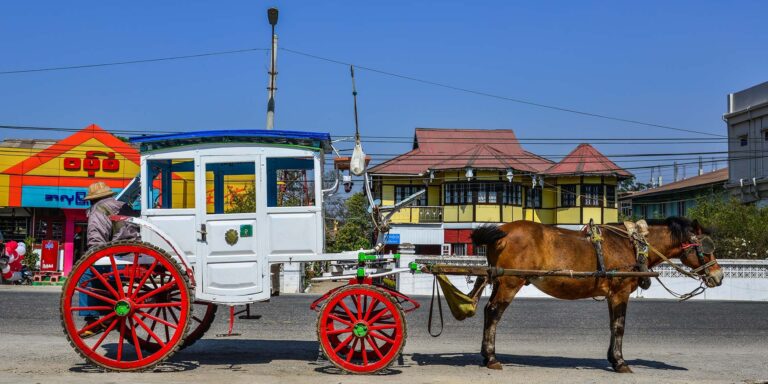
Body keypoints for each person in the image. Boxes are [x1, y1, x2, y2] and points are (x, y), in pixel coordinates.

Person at [78, 181, 140, 338]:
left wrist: (89, 258)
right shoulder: (124, 206)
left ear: (92, 200)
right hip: (137, 257)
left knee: (86, 273)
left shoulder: (98, 210)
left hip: (118, 262)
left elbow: (96, 242)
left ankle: (93, 319)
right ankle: (110, 311)